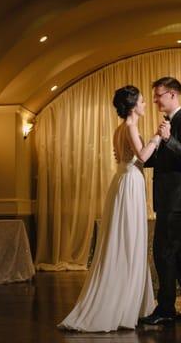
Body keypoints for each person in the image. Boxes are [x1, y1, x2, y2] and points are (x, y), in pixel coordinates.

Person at [58, 85, 159, 332]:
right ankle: (124, 304)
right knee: (129, 239)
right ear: (133, 105)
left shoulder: (120, 128)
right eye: (143, 102)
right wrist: (157, 137)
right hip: (130, 183)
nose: (146, 105)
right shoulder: (130, 127)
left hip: (123, 180)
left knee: (125, 239)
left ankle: (130, 301)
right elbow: (144, 156)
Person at [140, 76, 181, 325]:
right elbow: (164, 160)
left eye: (158, 95)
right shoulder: (169, 122)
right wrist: (140, 155)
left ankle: (166, 308)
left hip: (175, 198)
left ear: (172, 95)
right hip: (168, 198)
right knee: (177, 252)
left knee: (163, 251)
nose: (155, 99)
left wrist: (168, 139)